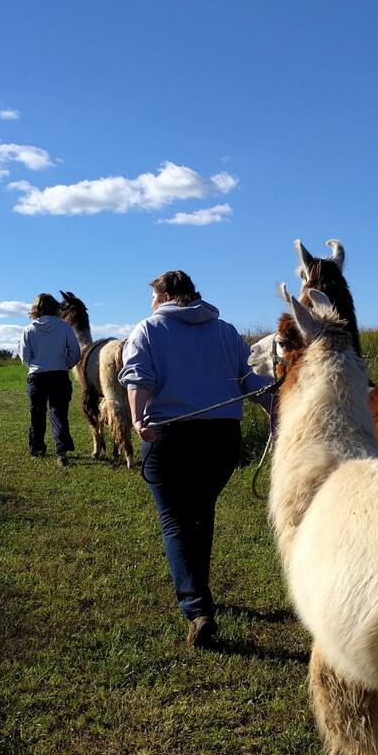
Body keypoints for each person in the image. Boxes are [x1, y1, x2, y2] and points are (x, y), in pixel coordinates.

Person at [119, 270, 273, 648]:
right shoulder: (225, 331)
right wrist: (276, 407)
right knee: (201, 515)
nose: (152, 304)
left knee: (175, 521)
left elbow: (139, 379)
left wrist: (138, 419)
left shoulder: (147, 329)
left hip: (168, 435)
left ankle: (196, 609)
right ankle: (199, 596)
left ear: (166, 296)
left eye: (154, 296)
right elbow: (250, 381)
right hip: (221, 438)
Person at [18, 292, 81, 465]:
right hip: (59, 376)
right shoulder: (65, 328)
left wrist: (36, 365)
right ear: (55, 307)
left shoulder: (28, 330)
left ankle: (37, 448)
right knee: (59, 414)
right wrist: (64, 365)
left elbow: (25, 357)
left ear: (35, 309)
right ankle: (61, 452)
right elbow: (75, 352)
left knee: (37, 413)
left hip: (37, 376)